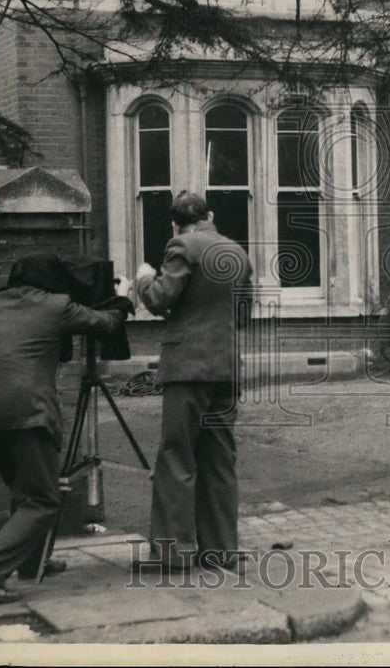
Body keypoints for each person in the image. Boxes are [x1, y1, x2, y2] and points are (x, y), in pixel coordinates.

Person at [0, 253, 131, 603]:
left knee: (21, 488)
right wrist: (123, 298)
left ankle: (32, 564)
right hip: (28, 411)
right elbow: (105, 324)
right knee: (42, 499)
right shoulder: (56, 305)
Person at [135, 191, 253, 571]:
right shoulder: (236, 252)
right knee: (220, 458)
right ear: (211, 215)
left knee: (176, 455)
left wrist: (142, 278)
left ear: (175, 223)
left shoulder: (182, 245)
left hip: (188, 367)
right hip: (226, 366)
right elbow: (244, 311)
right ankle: (221, 549)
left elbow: (159, 299)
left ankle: (175, 553)